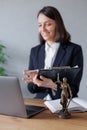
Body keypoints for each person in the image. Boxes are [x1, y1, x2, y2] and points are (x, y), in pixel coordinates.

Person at [23, 6, 83, 100]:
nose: (43, 29)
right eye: (39, 25)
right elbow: (31, 89)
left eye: (48, 24)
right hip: (40, 103)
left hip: (63, 104)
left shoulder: (74, 50)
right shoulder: (35, 51)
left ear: (57, 25)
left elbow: (74, 89)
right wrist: (34, 81)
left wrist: (52, 85)